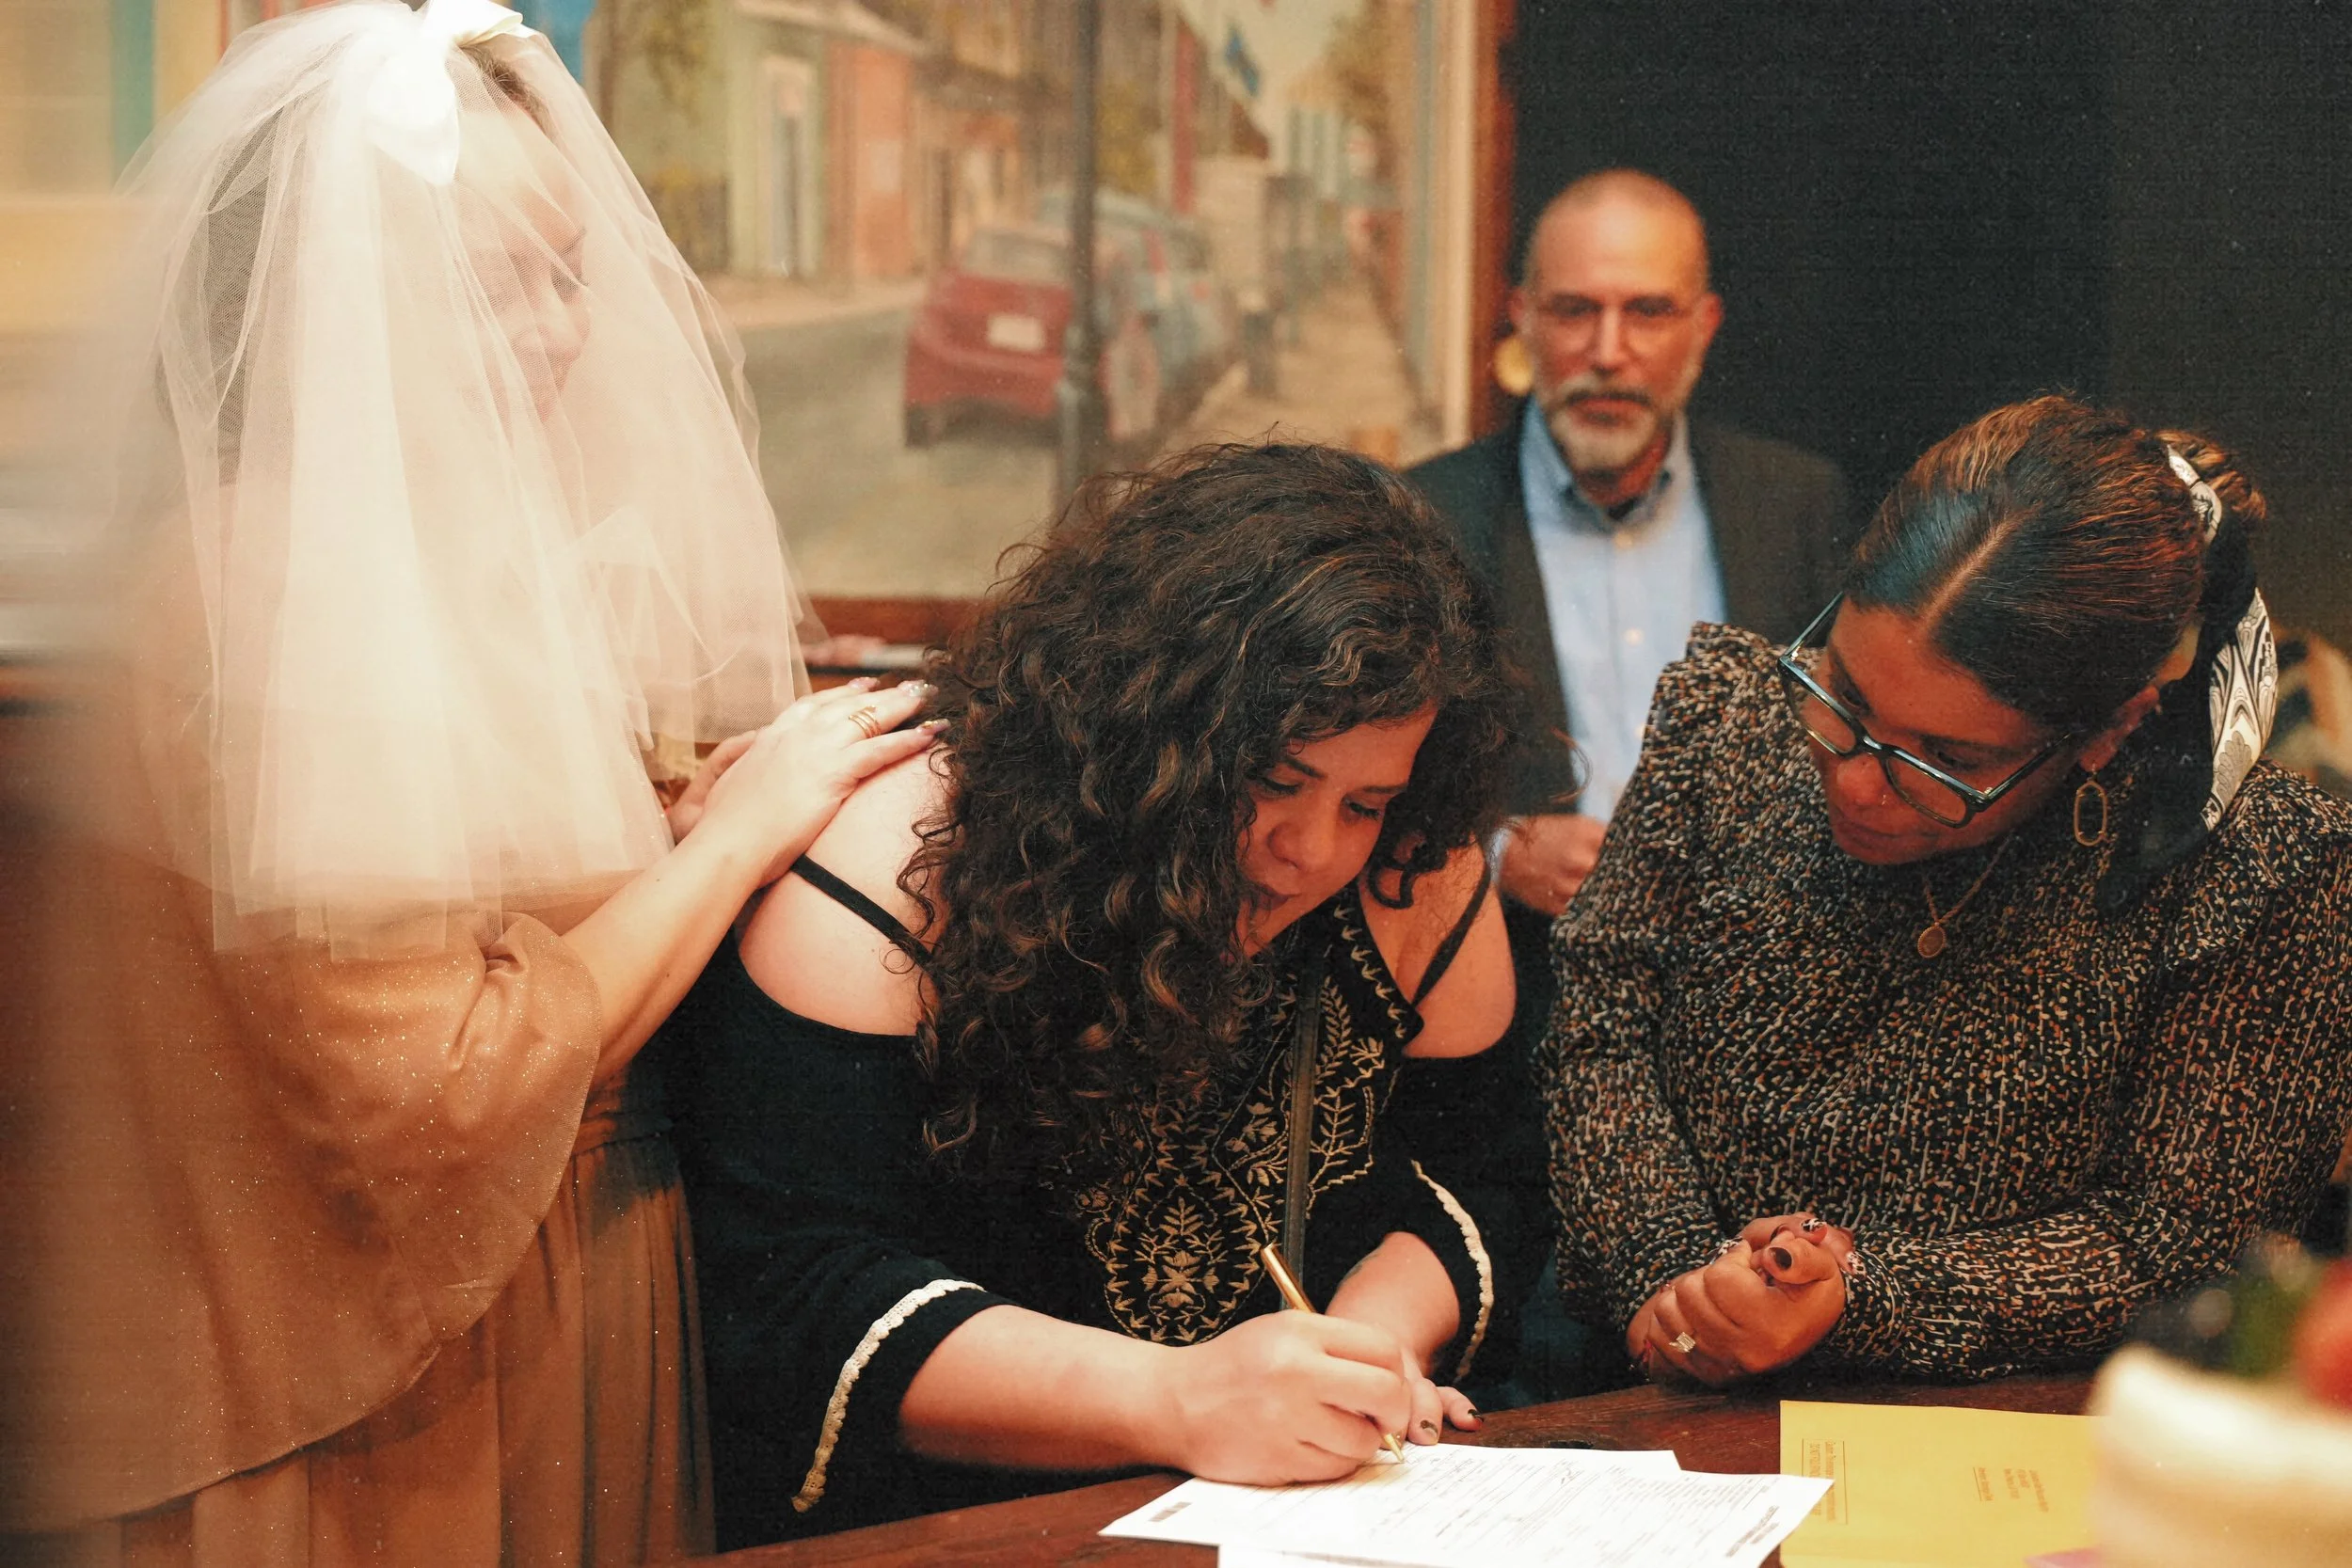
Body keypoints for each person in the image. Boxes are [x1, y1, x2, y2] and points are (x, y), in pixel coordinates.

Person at [13, 2, 937, 1560]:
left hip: (546, 1289)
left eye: (568, 275)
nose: (564, 332)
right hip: (375, 1390)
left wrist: (673, 824)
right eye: (490, 285)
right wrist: (735, 848)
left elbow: (493, 898)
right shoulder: (260, 589)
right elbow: (434, 1082)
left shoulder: (435, 557)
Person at [659, 443, 1536, 1546]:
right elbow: (799, 1288)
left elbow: (1483, 1171)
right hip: (966, 1519)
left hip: (1301, 1505)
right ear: (1145, 738)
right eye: (1269, 781)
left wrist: (1366, 1343)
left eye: (1364, 801)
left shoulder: (1413, 862)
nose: (1306, 853)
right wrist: (1180, 1399)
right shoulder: (898, 857)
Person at [1545, 394, 2352, 1387]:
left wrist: (1862, 1294)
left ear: (2107, 727)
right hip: (1639, 1403)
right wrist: (1678, 1287)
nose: (1852, 777)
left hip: (2006, 1445)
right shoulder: (1728, 723)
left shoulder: (2251, 874)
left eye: (1946, 759)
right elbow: (1597, 1026)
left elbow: (2176, 1241)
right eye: (1844, 694)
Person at [1408, 169, 1852, 920]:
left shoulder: (1795, 502)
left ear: (1703, 327)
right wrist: (1490, 850)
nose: (1608, 352)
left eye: (1648, 311)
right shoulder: (1421, 516)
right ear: (1522, 318)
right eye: (1575, 310)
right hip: (1521, 995)